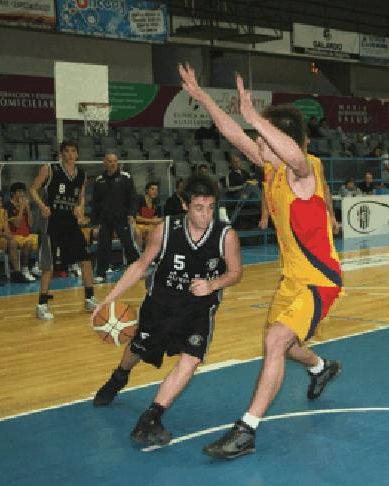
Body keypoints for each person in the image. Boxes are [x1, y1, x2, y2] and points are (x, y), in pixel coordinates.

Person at [178, 62, 343, 460]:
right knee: (282, 346)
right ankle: (321, 367)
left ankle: (246, 430)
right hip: (291, 279)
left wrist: (254, 115)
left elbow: (297, 157)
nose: (257, 144)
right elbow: (232, 133)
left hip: (320, 280)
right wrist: (203, 98)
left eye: (263, 137)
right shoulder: (271, 168)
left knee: (274, 341)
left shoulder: (305, 171)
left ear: (282, 138)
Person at [90, 173, 243, 446]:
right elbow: (139, 266)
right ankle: (119, 377)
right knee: (138, 347)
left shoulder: (225, 236)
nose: (206, 215)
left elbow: (235, 272)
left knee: (192, 358)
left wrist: (213, 284)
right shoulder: (165, 229)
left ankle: (152, 415)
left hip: (199, 307)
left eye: (210, 207)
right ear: (185, 205)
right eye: (198, 207)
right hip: (160, 303)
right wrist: (108, 299)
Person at [29, 140, 98, 320]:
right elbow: (33, 190)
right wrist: (43, 206)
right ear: (61, 154)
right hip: (51, 222)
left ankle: (90, 298)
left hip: (70, 222)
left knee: (85, 258)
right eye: (66, 151)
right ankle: (42, 304)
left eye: (73, 151)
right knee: (49, 265)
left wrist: (79, 210)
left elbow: (80, 198)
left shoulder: (81, 174)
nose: (69, 154)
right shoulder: (50, 169)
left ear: (77, 155)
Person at [92, 153, 141, 284]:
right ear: (104, 162)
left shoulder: (126, 177)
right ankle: (101, 274)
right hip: (105, 220)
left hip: (123, 218)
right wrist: (95, 223)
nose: (112, 163)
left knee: (129, 245)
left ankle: (137, 271)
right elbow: (95, 203)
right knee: (103, 246)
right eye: (109, 161)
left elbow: (133, 198)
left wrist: (132, 214)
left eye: (114, 161)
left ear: (117, 162)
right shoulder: (98, 180)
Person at [7, 182, 38, 282]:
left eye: (23, 192)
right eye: (19, 192)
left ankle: (35, 266)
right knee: (27, 243)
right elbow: (16, 224)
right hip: (15, 235)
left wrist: (27, 208)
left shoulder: (25, 205)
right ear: (13, 193)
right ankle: (24, 269)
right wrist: (21, 208)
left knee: (45, 239)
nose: (22, 194)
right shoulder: (8, 205)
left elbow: (31, 224)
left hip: (27, 234)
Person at [134, 182, 162, 253]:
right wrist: (151, 221)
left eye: (156, 190)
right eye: (152, 189)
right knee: (138, 232)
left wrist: (156, 220)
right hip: (137, 225)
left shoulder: (156, 202)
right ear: (147, 190)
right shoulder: (140, 199)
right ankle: (138, 254)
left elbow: (156, 218)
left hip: (148, 226)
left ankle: (149, 254)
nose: (155, 192)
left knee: (153, 231)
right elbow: (136, 217)